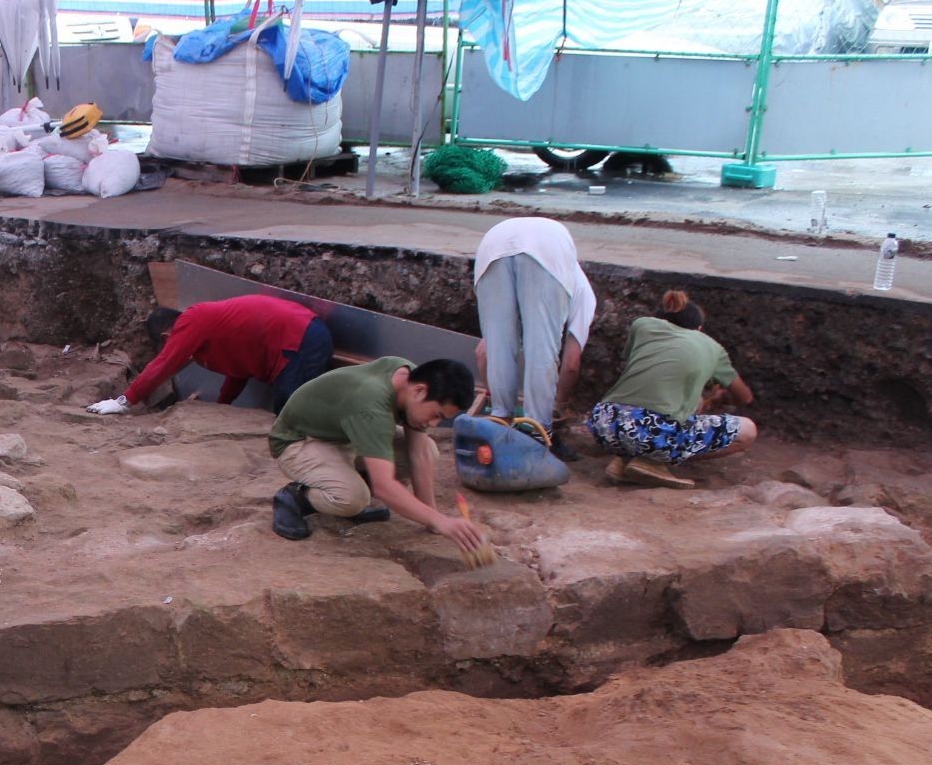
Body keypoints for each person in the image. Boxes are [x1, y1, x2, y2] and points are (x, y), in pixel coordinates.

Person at [268, 357, 485, 554]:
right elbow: (384, 487)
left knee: (429, 448)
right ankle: (296, 496)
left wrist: (433, 520)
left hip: (346, 436)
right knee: (352, 499)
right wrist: (441, 521)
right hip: (299, 441)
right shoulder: (372, 405)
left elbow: (418, 454)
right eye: (436, 415)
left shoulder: (411, 378)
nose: (434, 423)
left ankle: (347, 480)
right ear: (419, 390)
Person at [586, 289, 757, 489]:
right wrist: (719, 397)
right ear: (699, 328)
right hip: (651, 431)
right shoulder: (712, 347)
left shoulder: (642, 326)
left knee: (688, 404)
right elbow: (744, 397)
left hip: (604, 423)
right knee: (747, 431)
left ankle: (625, 458)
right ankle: (653, 462)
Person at [472, 217, 596, 459]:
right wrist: (557, 405)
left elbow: (484, 353)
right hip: (548, 245)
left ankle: (499, 427)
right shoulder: (584, 294)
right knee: (542, 347)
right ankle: (539, 432)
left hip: (493, 242)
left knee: (499, 344)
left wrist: (499, 403)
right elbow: (571, 364)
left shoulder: (571, 280)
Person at [85, 296, 335, 416]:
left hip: (302, 336)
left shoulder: (192, 320)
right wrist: (223, 407)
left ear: (165, 335)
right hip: (300, 337)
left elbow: (165, 364)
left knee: (291, 410)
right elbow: (238, 371)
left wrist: (124, 400)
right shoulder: (212, 336)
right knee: (288, 409)